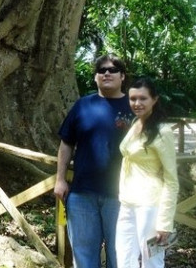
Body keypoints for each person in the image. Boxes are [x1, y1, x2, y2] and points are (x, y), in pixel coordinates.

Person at [54, 54, 134, 268]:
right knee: (84, 256)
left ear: (122, 76)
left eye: (113, 69)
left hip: (123, 196)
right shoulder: (82, 105)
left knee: (121, 257)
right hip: (82, 195)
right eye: (101, 70)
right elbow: (66, 144)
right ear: (96, 77)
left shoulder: (134, 106)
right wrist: (60, 179)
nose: (107, 73)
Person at [116, 77, 179, 268]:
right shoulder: (136, 123)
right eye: (133, 98)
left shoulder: (162, 131)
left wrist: (165, 222)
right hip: (126, 202)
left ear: (155, 99)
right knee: (124, 256)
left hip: (150, 205)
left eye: (143, 98)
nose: (137, 103)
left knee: (151, 261)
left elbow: (172, 180)